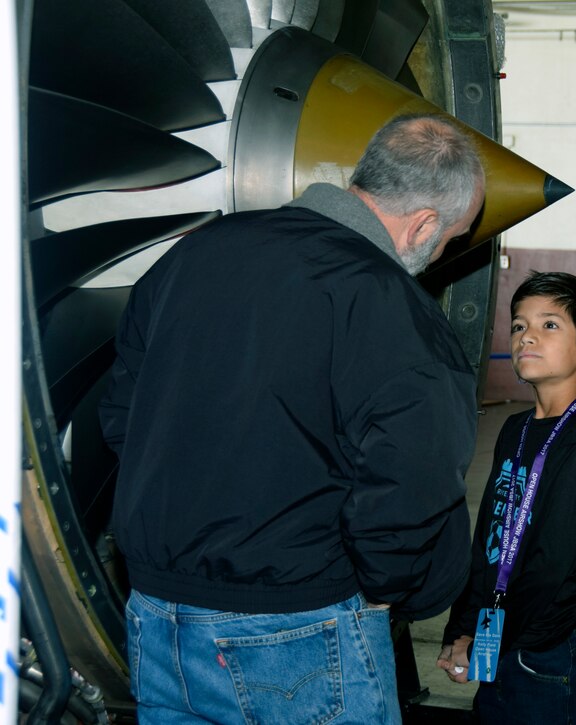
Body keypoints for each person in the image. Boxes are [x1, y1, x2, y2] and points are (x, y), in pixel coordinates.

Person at [98, 113, 485, 725]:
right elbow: (413, 478)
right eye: (453, 238)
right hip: (296, 628)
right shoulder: (392, 305)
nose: (444, 251)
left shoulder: (197, 252)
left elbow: (124, 413)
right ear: (424, 225)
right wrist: (386, 589)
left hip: (156, 615)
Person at [436, 272, 576, 725]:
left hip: (548, 649)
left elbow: (548, 568)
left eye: (549, 325)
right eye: (519, 326)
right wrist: (461, 626)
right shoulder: (515, 430)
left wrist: (487, 643)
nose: (527, 336)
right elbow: (490, 540)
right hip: (503, 631)